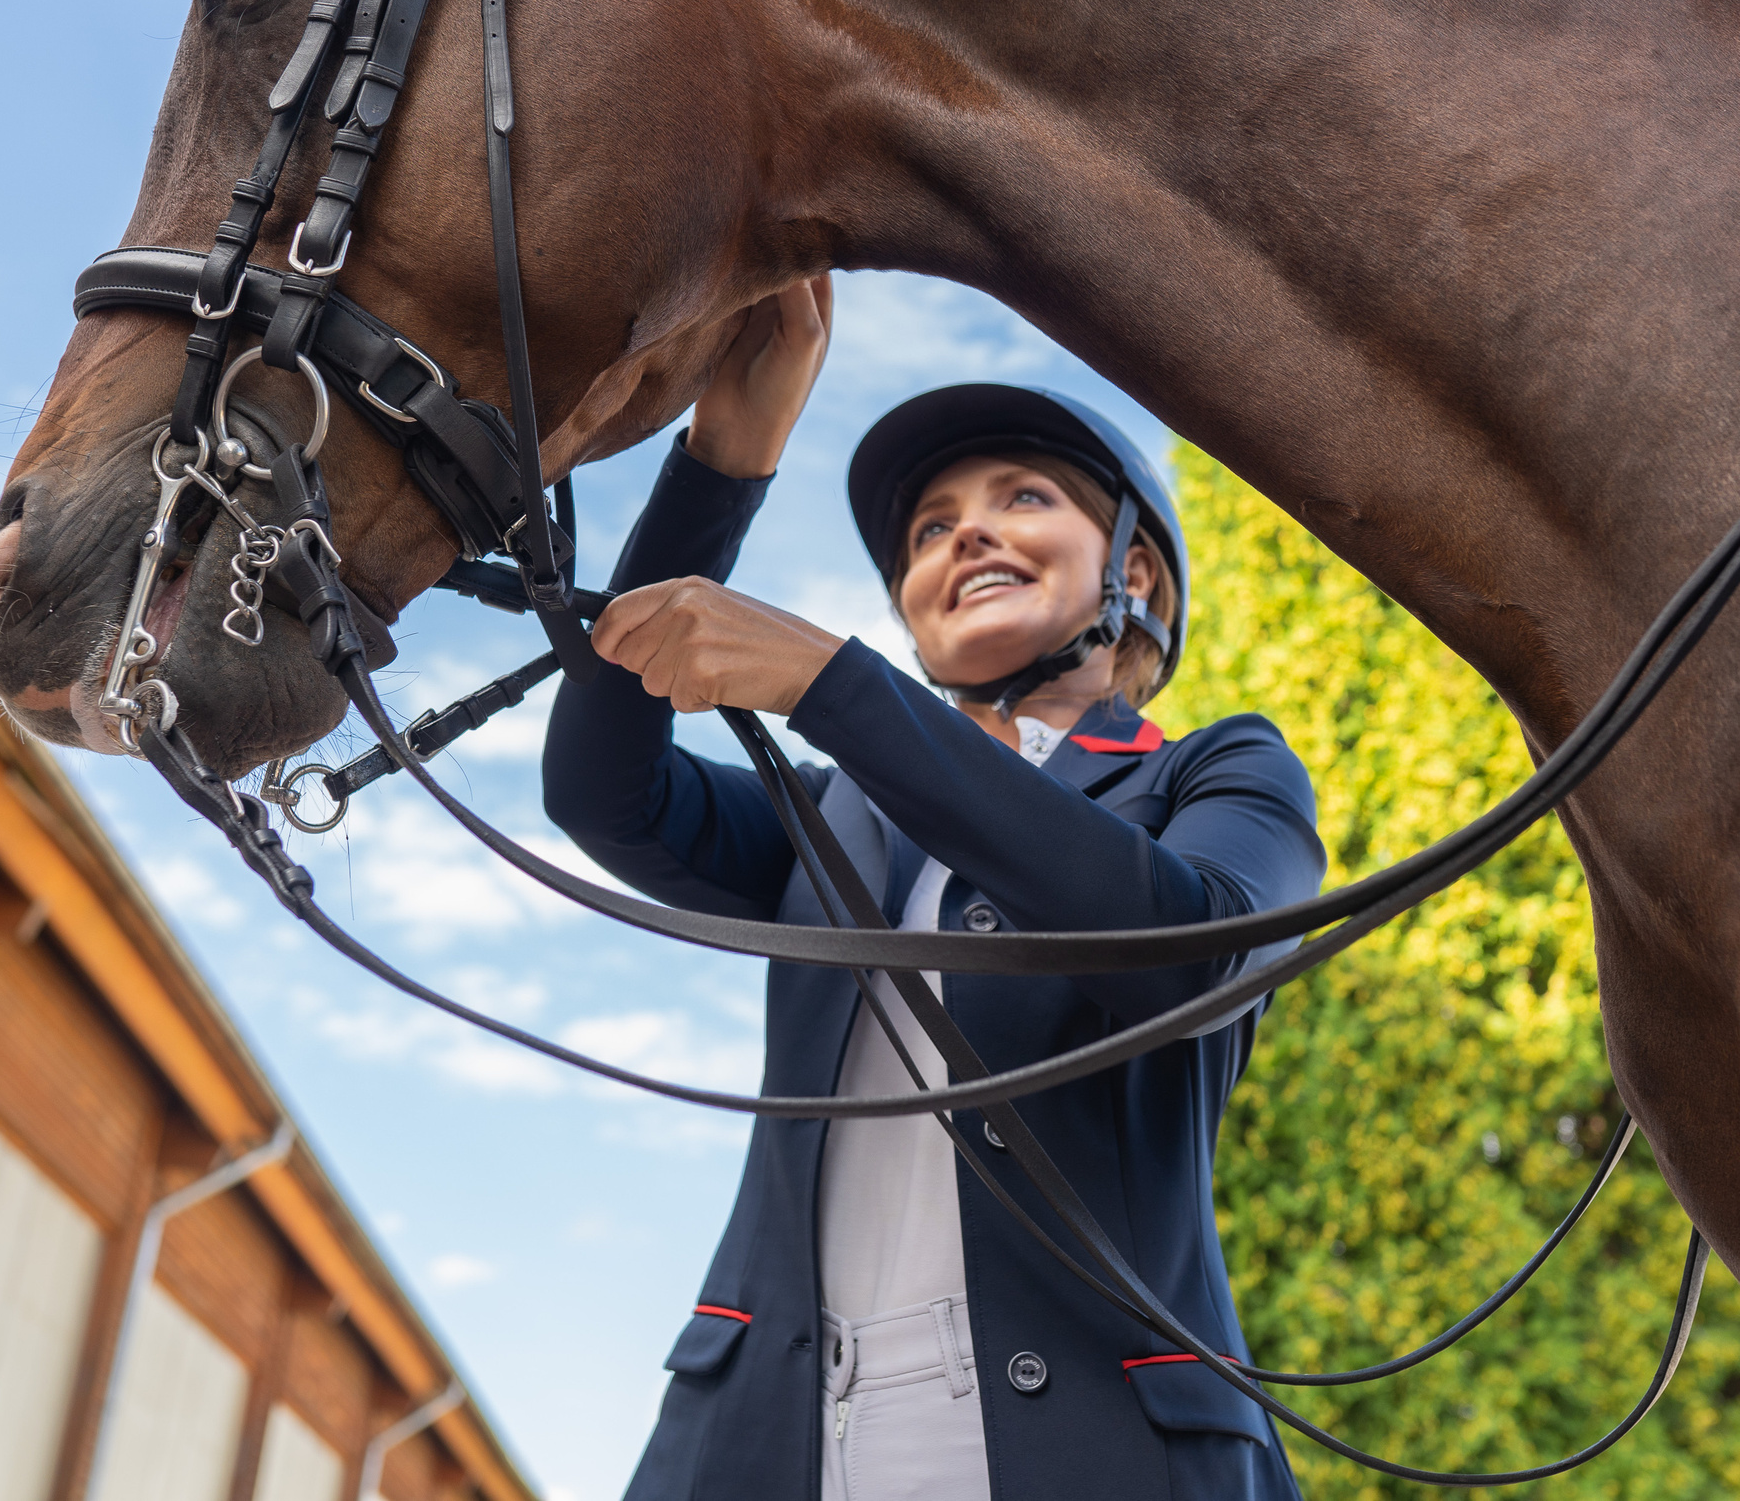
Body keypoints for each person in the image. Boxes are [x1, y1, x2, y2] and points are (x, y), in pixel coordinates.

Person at [543, 276, 1324, 1501]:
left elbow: (1197, 955)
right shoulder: (831, 809)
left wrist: (836, 687)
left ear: (1138, 579)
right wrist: (722, 463)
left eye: (1023, 498)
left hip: (1102, 1446)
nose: (964, 533)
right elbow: (599, 788)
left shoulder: (1218, 767)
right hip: (764, 1439)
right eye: (928, 528)